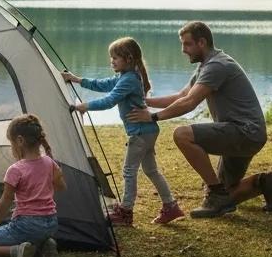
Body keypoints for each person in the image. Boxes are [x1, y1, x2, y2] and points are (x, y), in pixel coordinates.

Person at [127, 20, 272, 219]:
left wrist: (152, 117)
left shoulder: (217, 66)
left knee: (182, 135)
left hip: (244, 132)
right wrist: (144, 101)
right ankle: (267, 182)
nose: (183, 50)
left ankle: (216, 193)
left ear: (202, 42)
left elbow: (189, 102)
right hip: (244, 133)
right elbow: (181, 95)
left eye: (187, 44)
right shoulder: (207, 65)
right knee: (227, 191)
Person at [63, 37, 184, 226]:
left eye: (115, 58)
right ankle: (171, 206)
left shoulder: (129, 80)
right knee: (151, 170)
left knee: (129, 171)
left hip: (140, 133)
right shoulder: (127, 76)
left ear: (128, 58)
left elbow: (110, 100)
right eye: (111, 58)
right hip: (147, 131)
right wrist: (77, 80)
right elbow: (103, 84)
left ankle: (125, 211)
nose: (112, 61)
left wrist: (84, 106)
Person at [0, 113, 65, 257]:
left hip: (27, 224)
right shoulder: (49, 162)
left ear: (19, 141)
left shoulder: (16, 169)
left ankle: (17, 251)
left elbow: (5, 202)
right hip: (51, 223)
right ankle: (47, 245)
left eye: (11, 143)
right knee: (35, 235)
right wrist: (55, 173)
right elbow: (61, 187)